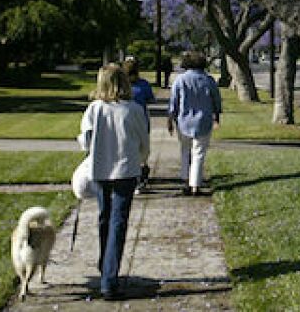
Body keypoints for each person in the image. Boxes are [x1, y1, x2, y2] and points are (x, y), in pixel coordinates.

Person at [78, 64, 150, 301]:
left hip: (100, 170)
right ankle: (109, 277)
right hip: (125, 171)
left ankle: (106, 266)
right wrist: (141, 160)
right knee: (117, 223)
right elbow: (143, 142)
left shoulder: (94, 109)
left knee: (105, 218)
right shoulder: (134, 110)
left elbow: (86, 141)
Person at [167, 51, 221, 196]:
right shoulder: (208, 80)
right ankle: (195, 185)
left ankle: (185, 180)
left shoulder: (180, 80)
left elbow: (174, 102)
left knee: (185, 151)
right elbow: (216, 100)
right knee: (199, 153)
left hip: (183, 121)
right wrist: (217, 116)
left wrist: (170, 119)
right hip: (203, 121)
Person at [123, 59, 154, 193]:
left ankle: (131, 177)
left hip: (124, 122)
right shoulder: (143, 85)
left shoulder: (121, 86)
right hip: (141, 121)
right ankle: (141, 178)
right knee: (142, 151)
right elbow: (150, 99)